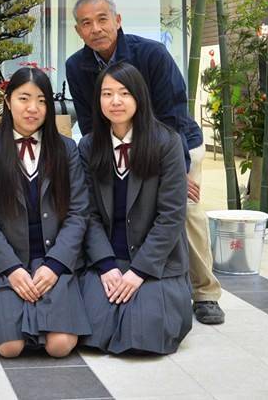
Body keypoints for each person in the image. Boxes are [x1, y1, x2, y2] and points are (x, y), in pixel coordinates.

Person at [65, 0, 225, 325]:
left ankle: (205, 292)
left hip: (174, 142)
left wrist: (176, 173)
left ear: (117, 20)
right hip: (116, 143)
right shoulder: (76, 66)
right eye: (86, 23)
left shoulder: (151, 54)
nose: (96, 28)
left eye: (102, 19)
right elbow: (90, 121)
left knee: (184, 209)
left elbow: (172, 114)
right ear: (78, 30)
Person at [0, 67, 91, 358]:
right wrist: (11, 268)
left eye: (42, 100)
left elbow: (78, 213)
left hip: (54, 261)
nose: (33, 108)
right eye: (24, 98)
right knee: (10, 347)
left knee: (60, 346)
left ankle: (43, 317)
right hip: (6, 264)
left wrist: (55, 265)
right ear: (8, 101)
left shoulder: (66, 149)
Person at [78, 61, 192, 355]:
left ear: (139, 96)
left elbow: (171, 216)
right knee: (92, 332)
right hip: (107, 257)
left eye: (124, 93)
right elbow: (87, 214)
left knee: (143, 336)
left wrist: (139, 271)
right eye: (107, 94)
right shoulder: (89, 146)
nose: (115, 101)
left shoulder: (167, 142)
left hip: (155, 261)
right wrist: (105, 265)